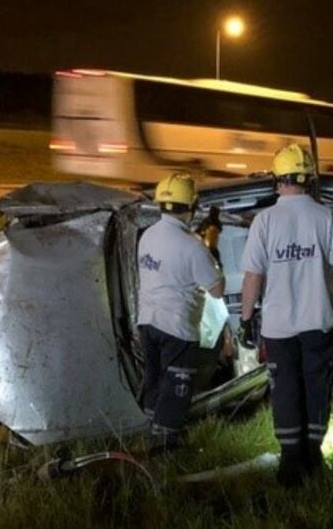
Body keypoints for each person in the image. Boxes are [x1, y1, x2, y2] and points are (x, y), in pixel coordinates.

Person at [240, 144, 333, 487]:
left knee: (285, 388)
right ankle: (314, 455)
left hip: (278, 327)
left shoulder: (265, 221)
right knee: (317, 384)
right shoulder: (325, 217)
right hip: (317, 321)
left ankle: (291, 461)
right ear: (310, 179)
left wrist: (247, 318)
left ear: (278, 180)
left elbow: (252, 277)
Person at [137, 173, 225, 456]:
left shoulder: (148, 235)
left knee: (154, 380)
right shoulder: (193, 247)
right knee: (177, 385)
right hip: (177, 326)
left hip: (148, 322)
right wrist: (211, 248)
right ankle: (164, 448)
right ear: (193, 205)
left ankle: (149, 429)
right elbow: (217, 290)